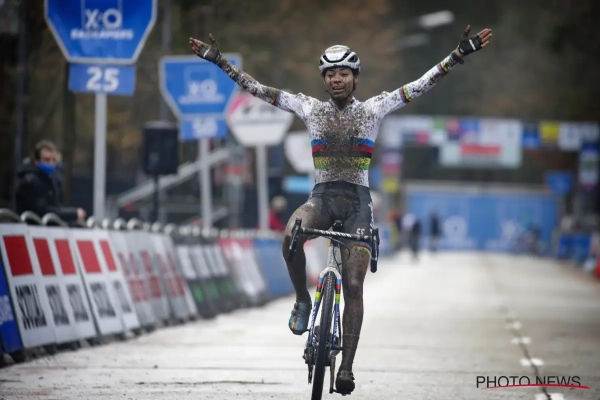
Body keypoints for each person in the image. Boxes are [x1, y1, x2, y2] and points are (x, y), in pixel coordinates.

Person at [189, 24, 492, 394]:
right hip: (321, 198)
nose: (336, 79)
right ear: (323, 80)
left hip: (358, 205)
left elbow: (419, 85)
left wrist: (457, 55)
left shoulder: (374, 109)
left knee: (353, 285)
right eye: (330, 74)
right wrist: (221, 63)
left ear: (355, 78)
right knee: (291, 234)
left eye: (344, 73)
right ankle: (303, 300)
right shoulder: (310, 108)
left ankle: (346, 368)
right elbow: (259, 90)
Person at [15, 140, 86, 223]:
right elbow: (42, 210)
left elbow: (56, 206)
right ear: (36, 161)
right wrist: (72, 214)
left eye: (54, 160)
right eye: (47, 160)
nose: (51, 163)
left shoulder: (52, 180)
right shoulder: (30, 181)